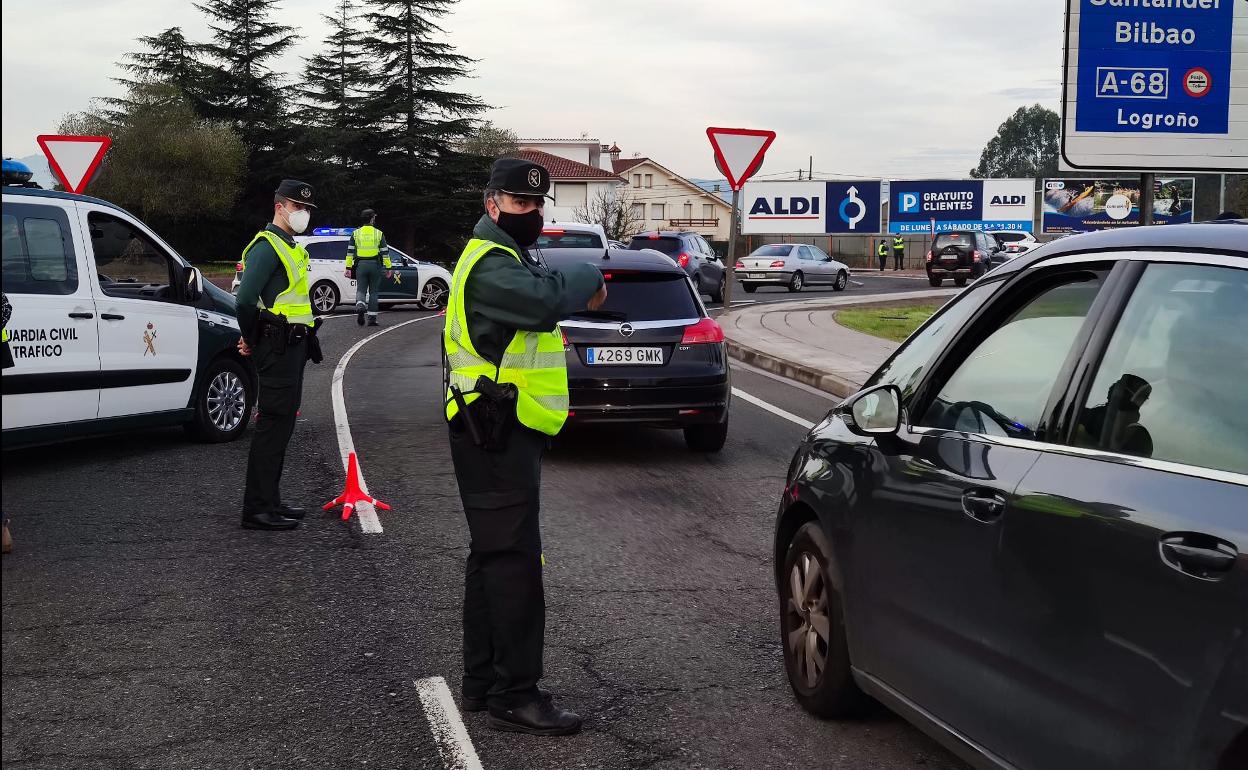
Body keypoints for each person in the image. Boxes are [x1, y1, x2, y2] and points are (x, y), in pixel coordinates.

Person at [443, 158, 606, 736]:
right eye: (519, 203)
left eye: (538, 204)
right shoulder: (490, 265)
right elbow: (544, 304)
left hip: (498, 428)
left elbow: (541, 301)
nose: (531, 213)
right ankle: (516, 692)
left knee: (492, 556)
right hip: (493, 431)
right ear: (492, 204)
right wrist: (588, 272)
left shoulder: (506, 257)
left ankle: (483, 683)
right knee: (514, 562)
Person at [235, 179, 324, 531]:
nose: (302, 213)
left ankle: (271, 501)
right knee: (272, 426)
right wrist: (250, 337)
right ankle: (256, 508)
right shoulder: (267, 246)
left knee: (283, 424)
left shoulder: (290, 246)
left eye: (306, 209)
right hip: (276, 347)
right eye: (297, 207)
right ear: (279, 207)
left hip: (292, 347)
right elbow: (244, 300)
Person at [346, 209, 392, 327]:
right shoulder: (378, 233)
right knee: (373, 292)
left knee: (361, 289)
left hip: (361, 265)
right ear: (372, 219)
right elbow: (385, 252)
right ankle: (372, 319)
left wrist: (348, 267)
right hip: (375, 265)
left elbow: (350, 252)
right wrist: (388, 267)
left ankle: (360, 305)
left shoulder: (356, 233)